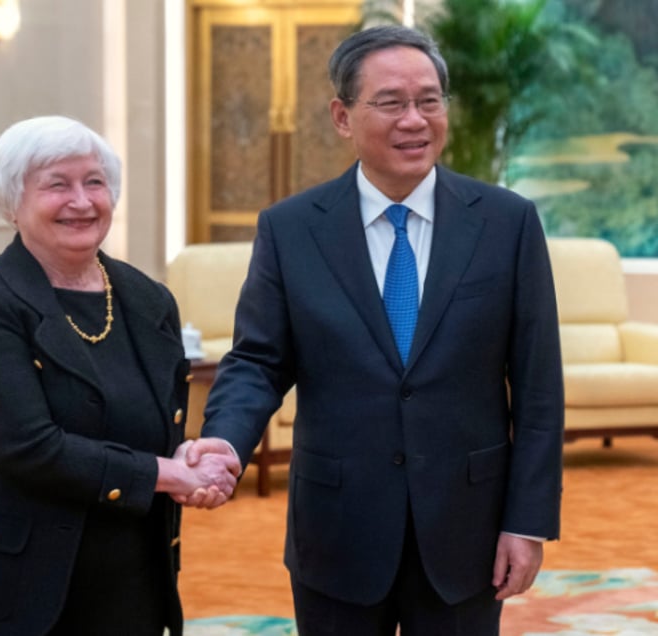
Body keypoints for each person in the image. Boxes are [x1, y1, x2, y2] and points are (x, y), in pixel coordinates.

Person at [182, 25, 565, 635]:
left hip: (467, 528)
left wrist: (527, 520)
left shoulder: (506, 223)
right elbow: (258, 360)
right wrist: (226, 443)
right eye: (390, 102)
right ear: (342, 116)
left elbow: (540, 387)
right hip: (338, 529)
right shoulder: (291, 228)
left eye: (429, 100)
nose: (414, 119)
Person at [0, 115, 240, 636]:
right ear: (13, 203)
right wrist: (169, 476)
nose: (81, 201)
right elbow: (23, 445)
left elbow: (156, 426)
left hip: (126, 590)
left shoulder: (149, 300)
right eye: (57, 184)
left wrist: (191, 455)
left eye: (95, 182)